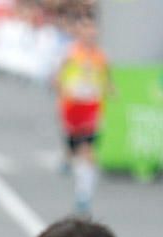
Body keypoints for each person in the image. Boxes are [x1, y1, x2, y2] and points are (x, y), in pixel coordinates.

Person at [54, 15, 110, 214]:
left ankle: (83, 196)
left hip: (91, 108)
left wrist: (109, 92)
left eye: (92, 29)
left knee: (87, 152)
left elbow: (107, 82)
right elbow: (58, 79)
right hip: (72, 108)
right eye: (85, 29)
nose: (89, 34)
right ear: (79, 32)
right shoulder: (70, 54)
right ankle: (69, 160)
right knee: (75, 152)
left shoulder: (100, 57)